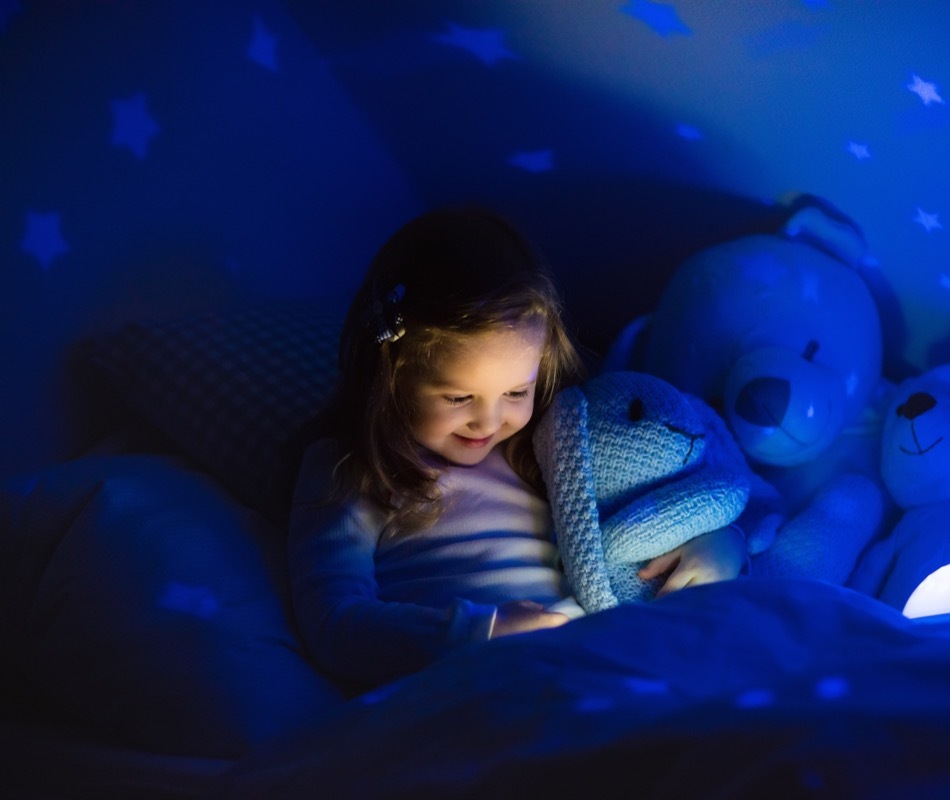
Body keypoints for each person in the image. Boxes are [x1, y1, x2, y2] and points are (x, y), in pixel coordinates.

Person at [288, 207, 748, 689]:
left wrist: (722, 543)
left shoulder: (555, 439)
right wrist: (476, 633)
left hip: (602, 665)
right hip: (475, 682)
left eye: (515, 393)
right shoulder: (352, 467)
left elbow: (671, 507)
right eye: (457, 397)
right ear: (390, 378)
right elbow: (333, 624)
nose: (489, 421)